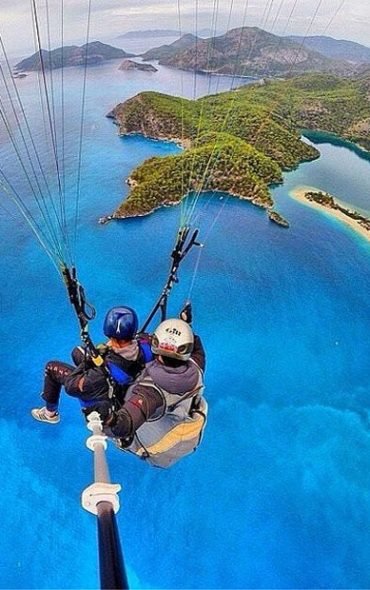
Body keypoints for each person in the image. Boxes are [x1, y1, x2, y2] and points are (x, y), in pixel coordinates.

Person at [103, 304, 208, 468]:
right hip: (188, 435)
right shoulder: (196, 367)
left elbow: (123, 425)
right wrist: (183, 325)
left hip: (158, 449)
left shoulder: (150, 391)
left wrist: (105, 421)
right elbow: (195, 346)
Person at [31, 306, 153, 424]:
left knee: (51, 367)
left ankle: (50, 414)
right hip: (121, 376)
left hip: (102, 392)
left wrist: (88, 362)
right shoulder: (146, 345)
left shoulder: (102, 372)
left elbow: (71, 387)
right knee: (77, 351)